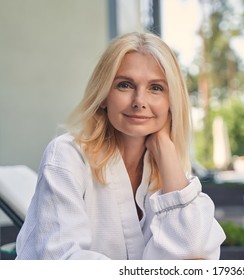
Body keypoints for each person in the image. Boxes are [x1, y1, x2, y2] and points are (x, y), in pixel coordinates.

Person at [16, 32, 226, 260]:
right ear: (104, 95)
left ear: (172, 101)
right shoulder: (67, 156)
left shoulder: (169, 167)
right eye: (125, 85)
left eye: (156, 88)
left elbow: (196, 252)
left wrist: (164, 146)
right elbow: (62, 261)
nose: (139, 101)